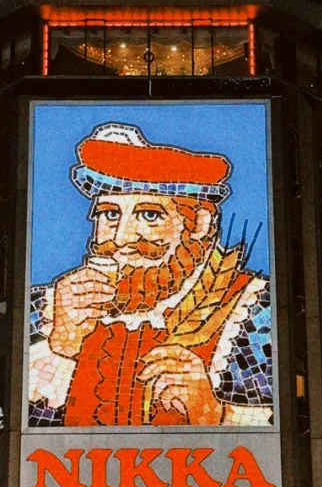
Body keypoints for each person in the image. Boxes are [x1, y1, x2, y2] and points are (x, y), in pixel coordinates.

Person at [28, 122, 273, 429]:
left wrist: (212, 412)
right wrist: (61, 347)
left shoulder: (255, 309)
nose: (120, 238)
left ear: (199, 224)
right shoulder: (44, 306)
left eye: (149, 215)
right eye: (110, 214)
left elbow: (284, 434)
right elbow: (7, 428)